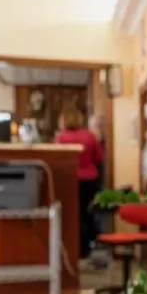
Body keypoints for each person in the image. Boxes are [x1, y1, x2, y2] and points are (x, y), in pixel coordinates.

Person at [55, 109, 104, 259]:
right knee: (87, 212)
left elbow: (57, 159)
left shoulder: (60, 137)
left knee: (71, 214)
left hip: (69, 179)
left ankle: (75, 248)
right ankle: (89, 244)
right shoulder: (89, 136)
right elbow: (99, 156)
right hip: (89, 179)